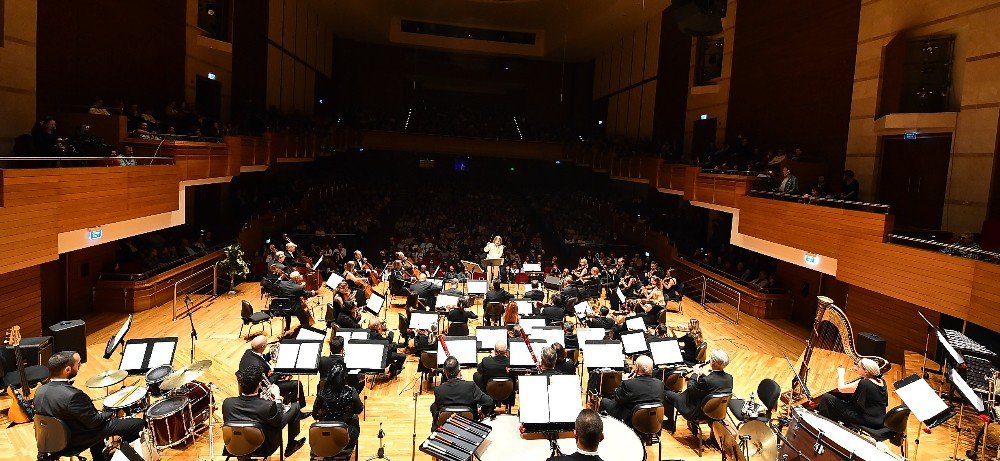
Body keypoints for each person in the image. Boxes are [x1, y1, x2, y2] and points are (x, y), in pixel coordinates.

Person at [33, 351, 146, 461]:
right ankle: (124, 454)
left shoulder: (40, 391)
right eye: (78, 364)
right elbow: (94, 422)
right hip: (73, 440)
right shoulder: (73, 396)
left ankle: (100, 458)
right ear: (67, 370)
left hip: (52, 439)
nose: (80, 365)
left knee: (95, 428)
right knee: (137, 424)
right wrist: (111, 412)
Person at [223, 365, 306, 457]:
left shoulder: (227, 403)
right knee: (295, 406)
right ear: (259, 384)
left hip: (233, 446)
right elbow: (279, 421)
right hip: (261, 448)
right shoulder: (267, 406)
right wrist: (277, 398)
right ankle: (291, 445)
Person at [663, 349, 734, 432]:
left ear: (713, 362)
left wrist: (695, 373)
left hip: (697, 411)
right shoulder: (729, 378)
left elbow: (691, 389)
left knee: (665, 393)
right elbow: (712, 385)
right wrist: (701, 375)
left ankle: (670, 423)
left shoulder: (707, 381)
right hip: (714, 411)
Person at [239, 335, 308, 409]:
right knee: (296, 384)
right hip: (262, 389)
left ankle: (287, 401)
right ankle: (298, 409)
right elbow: (267, 384)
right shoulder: (258, 366)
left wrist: (270, 354)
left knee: (287, 377)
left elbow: (262, 359)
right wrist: (279, 372)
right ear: (262, 347)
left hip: (253, 382)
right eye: (266, 344)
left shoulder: (249, 352)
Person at [817, 358, 888, 428]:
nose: (856, 367)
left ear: (866, 372)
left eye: (858, 366)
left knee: (826, 397)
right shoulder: (881, 381)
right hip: (879, 417)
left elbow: (841, 388)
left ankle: (823, 424)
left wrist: (841, 374)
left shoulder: (863, 383)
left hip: (867, 420)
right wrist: (859, 370)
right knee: (847, 396)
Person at [430, 356, 494, 430]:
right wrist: (483, 412)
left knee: (433, 407)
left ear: (444, 372)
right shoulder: (470, 386)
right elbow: (489, 402)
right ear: (459, 372)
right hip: (469, 426)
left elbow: (437, 409)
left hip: (448, 427)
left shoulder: (439, 390)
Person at [314, 361, 365, 448]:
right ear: (345, 376)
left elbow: (315, 415)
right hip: (345, 434)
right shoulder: (351, 392)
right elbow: (359, 409)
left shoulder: (322, 393)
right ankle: (347, 447)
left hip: (324, 434)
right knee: (355, 418)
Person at [600, 355, 663, 424]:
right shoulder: (659, 384)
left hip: (631, 420)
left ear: (637, 369)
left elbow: (618, 398)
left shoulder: (628, 384)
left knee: (604, 401)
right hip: (652, 422)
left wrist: (623, 382)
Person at [473, 340, 514, 406]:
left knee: (476, 375)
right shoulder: (512, 363)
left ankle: (484, 400)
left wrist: (490, 356)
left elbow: (479, 370)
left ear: (494, 351)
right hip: (507, 392)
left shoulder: (486, 361)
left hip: (489, 391)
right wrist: (508, 357)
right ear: (506, 351)